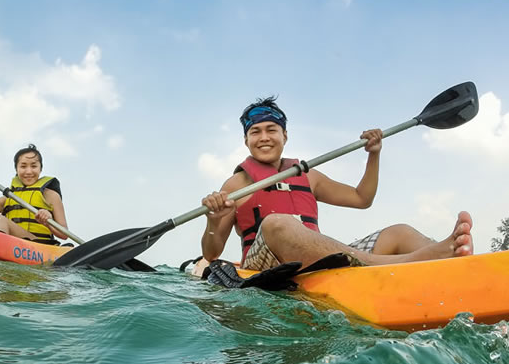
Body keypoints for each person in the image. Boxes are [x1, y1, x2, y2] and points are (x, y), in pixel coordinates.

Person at [200, 96, 474, 270]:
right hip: (264, 267)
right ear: (246, 141)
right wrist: (213, 222)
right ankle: (406, 262)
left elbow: (361, 198)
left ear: (285, 136)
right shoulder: (236, 185)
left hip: (323, 260)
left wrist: (374, 155)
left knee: (399, 232)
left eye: (271, 130)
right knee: (277, 223)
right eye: (255, 132)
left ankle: (456, 265)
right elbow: (211, 253)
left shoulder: (307, 175)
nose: (264, 137)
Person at [0, 144, 68, 244]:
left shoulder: (51, 195)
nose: (29, 171)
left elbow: (64, 234)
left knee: (1, 220)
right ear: (16, 169)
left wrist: (48, 221)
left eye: (34, 166)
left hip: (38, 245)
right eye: (23, 166)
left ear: (40, 168)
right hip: (13, 243)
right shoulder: (10, 198)